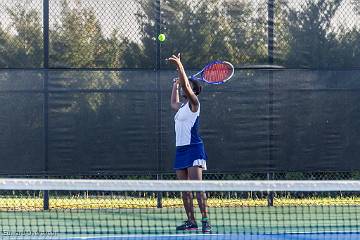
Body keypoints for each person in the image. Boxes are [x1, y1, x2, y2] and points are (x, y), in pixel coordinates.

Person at [167, 53, 211, 233]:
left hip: (194, 150)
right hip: (180, 151)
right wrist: (175, 85)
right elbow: (172, 104)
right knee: (185, 190)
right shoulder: (182, 107)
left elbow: (186, 84)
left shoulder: (195, 103)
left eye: (188, 86)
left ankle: (205, 221)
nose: (186, 86)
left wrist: (179, 65)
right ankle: (191, 222)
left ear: (194, 90)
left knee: (197, 188)